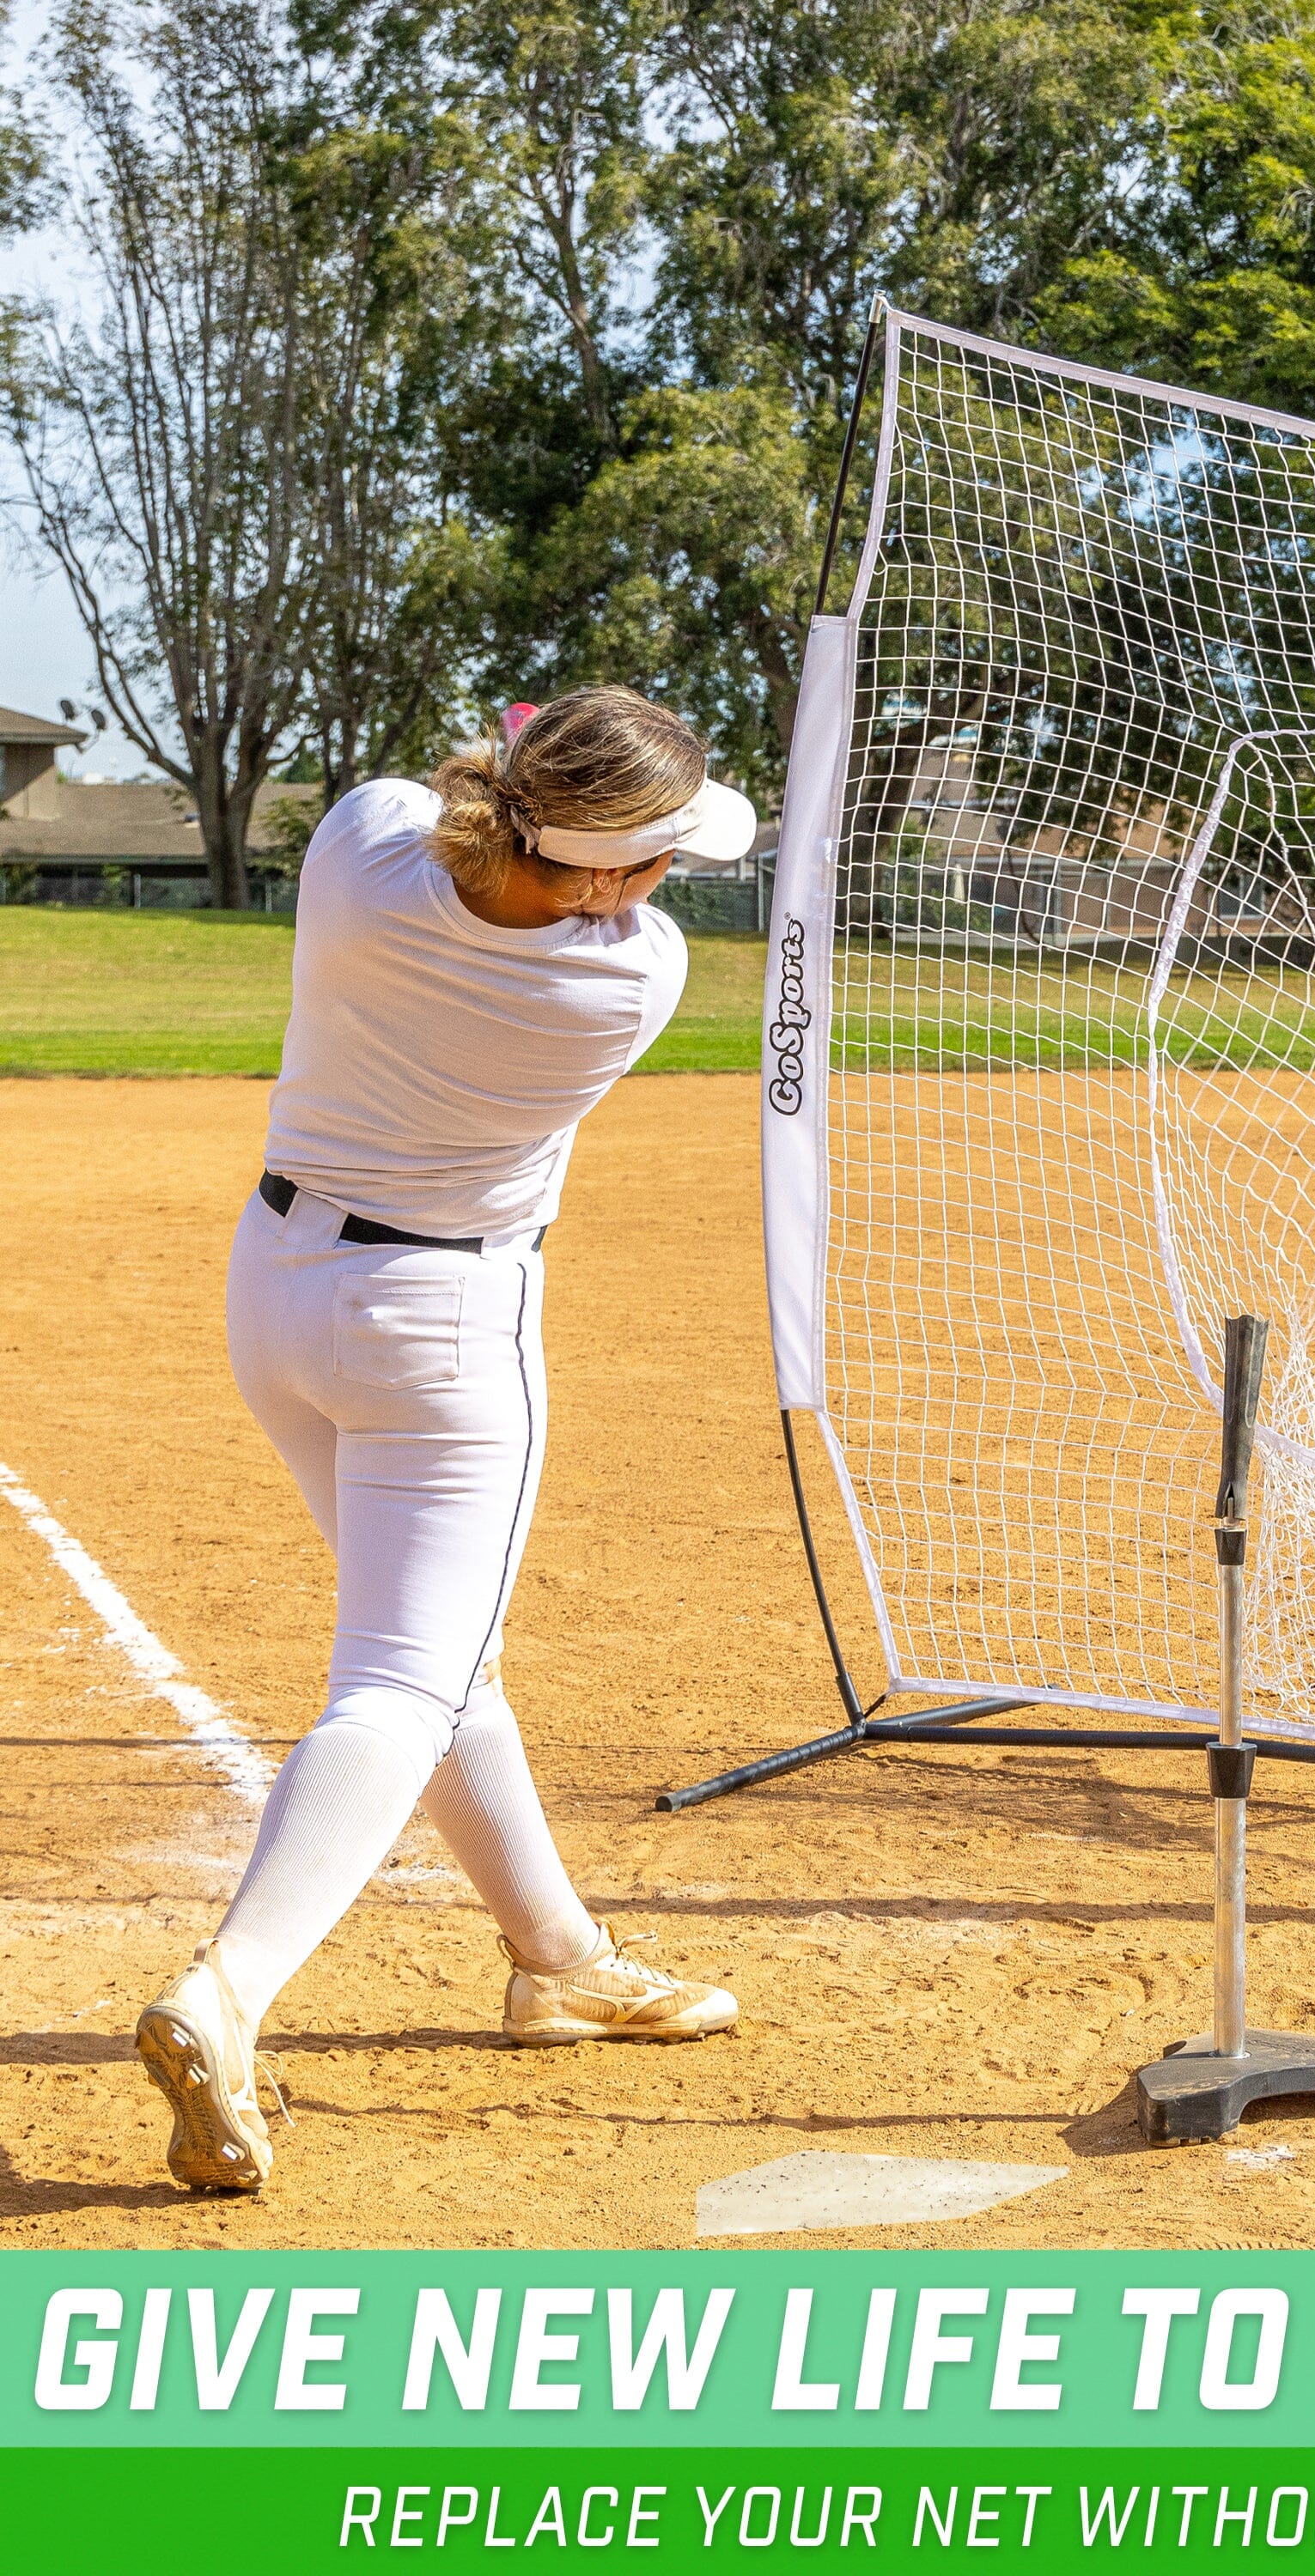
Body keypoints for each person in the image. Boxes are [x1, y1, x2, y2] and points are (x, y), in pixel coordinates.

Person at [134, 687, 749, 2194]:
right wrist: (572, 838)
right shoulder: (631, 975)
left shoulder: (359, 848)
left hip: (279, 1291)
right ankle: (229, 1991)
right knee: (404, 1680)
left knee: (441, 1655)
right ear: (608, 877)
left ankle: (560, 1960)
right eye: (658, 854)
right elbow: (555, 882)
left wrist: (528, 770)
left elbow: (439, 811)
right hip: (442, 1332)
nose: (669, 878)